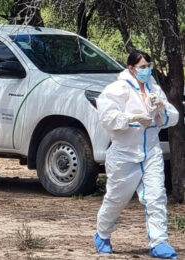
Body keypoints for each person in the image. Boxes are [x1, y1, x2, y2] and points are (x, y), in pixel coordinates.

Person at [94, 50, 179, 259]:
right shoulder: (116, 89)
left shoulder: (154, 88)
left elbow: (171, 119)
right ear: (131, 68)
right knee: (117, 198)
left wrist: (162, 109)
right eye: (142, 67)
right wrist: (131, 118)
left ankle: (159, 241)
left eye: (148, 66)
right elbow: (107, 118)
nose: (146, 70)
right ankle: (103, 233)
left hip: (151, 151)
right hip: (124, 153)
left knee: (156, 196)